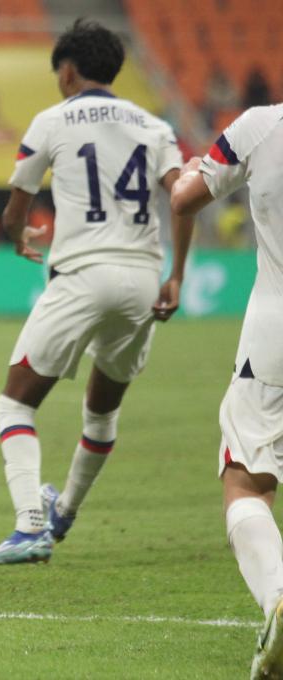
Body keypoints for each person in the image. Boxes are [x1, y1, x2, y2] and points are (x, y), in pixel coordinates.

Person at [0, 20, 193, 565]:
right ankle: (64, 510)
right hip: (142, 277)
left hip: (83, 273)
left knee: (15, 401)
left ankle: (29, 527)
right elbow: (185, 197)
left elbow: (15, 204)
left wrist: (17, 234)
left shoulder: (53, 119)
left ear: (67, 70)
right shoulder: (155, 126)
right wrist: (177, 274)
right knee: (101, 408)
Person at [170, 103, 283, 680]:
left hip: (275, 334)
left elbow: (184, 198)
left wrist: (195, 169)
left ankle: (279, 601)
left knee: (246, 480)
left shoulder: (261, 126)